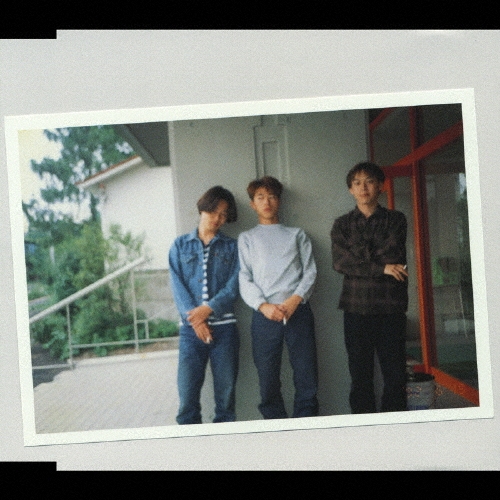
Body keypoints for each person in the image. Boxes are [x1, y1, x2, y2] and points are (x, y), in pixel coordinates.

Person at [330, 161, 409, 414]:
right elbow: (341, 263)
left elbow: (392, 253)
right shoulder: (342, 224)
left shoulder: (396, 219)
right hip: (356, 309)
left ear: (381, 186)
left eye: (369, 182)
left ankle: (395, 429)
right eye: (357, 183)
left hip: (390, 308)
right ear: (351, 190)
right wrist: (382, 268)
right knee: (360, 378)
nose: (363, 188)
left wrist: (360, 259)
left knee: (395, 377)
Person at [238, 176, 319, 419]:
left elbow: (310, 272)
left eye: (272, 196)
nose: (267, 202)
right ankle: (276, 428)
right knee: (267, 378)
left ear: (279, 201)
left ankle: (306, 426)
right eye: (260, 197)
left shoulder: (297, 234)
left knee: (306, 375)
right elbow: (244, 277)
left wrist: (295, 300)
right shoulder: (247, 238)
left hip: (298, 311)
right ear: (253, 204)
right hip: (264, 315)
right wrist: (263, 306)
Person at [168, 186, 240, 424]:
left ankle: (223, 445)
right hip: (191, 332)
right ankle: (191, 445)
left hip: (225, 329)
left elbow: (234, 286)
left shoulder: (232, 247)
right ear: (202, 209)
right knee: (187, 400)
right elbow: (177, 285)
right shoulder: (180, 246)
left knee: (226, 401)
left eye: (223, 214)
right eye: (213, 211)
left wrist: (208, 310)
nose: (218, 218)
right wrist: (196, 321)